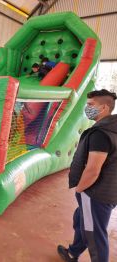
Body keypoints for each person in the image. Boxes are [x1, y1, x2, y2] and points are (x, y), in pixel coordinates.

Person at [57, 89, 117, 262]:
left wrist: (80, 190)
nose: (87, 108)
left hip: (95, 193)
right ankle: (73, 252)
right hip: (109, 190)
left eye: (91, 105)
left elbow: (92, 170)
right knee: (81, 219)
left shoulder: (100, 134)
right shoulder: (112, 127)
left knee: (94, 235)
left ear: (104, 107)